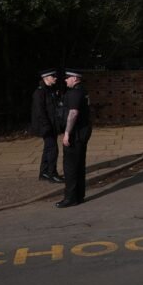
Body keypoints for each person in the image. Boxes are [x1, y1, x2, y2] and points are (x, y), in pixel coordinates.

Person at [55, 69, 92, 208]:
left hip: (75, 134)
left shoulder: (75, 93)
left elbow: (73, 113)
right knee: (79, 165)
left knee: (70, 167)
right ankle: (79, 195)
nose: (65, 80)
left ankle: (70, 198)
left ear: (75, 78)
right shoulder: (83, 90)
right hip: (83, 132)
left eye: (68, 78)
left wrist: (67, 133)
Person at [30, 68, 64, 184]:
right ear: (46, 78)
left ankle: (44, 173)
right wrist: (47, 126)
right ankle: (52, 174)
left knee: (48, 149)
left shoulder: (50, 90)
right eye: (53, 76)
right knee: (53, 149)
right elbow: (40, 112)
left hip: (51, 125)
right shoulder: (40, 92)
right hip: (46, 127)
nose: (55, 78)